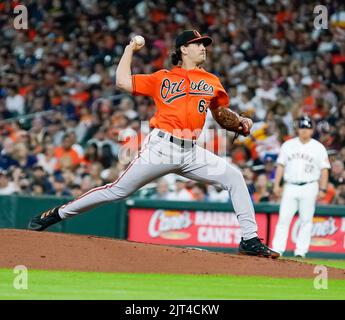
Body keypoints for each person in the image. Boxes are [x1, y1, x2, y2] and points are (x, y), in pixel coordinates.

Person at [28, 30, 279, 258]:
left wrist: (238, 121)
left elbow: (220, 112)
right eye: (197, 44)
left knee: (234, 178)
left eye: (204, 44)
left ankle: (249, 239)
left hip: (191, 152)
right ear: (183, 49)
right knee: (117, 191)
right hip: (161, 147)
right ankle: (57, 214)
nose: (203, 47)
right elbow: (122, 82)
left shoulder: (212, 81)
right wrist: (129, 49)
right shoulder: (163, 78)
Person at [272, 115, 331, 258]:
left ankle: (301, 251)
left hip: (310, 186)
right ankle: (277, 249)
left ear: (312, 130)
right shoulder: (288, 145)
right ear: (297, 129)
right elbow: (280, 166)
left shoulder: (318, 147)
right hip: (290, 186)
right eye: (302, 128)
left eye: (307, 128)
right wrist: (276, 185)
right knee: (283, 218)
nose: (304, 131)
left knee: (306, 220)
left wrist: (323, 189)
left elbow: (324, 170)